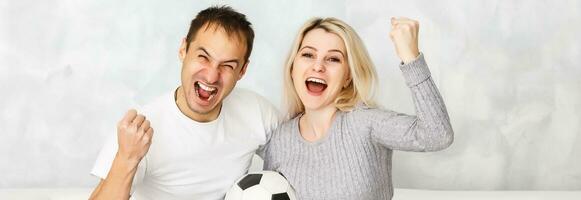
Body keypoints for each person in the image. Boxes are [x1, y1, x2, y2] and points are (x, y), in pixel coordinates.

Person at [89, 6, 280, 200]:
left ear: (242, 71)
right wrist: (127, 158)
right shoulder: (141, 129)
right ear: (183, 50)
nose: (212, 76)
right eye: (203, 57)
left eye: (228, 66)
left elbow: (299, 155)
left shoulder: (258, 113)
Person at [258, 17, 454, 200]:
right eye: (308, 55)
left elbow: (438, 135)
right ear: (293, 68)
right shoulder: (279, 140)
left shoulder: (364, 123)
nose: (318, 66)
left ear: (348, 77)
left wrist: (411, 58)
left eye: (333, 59)